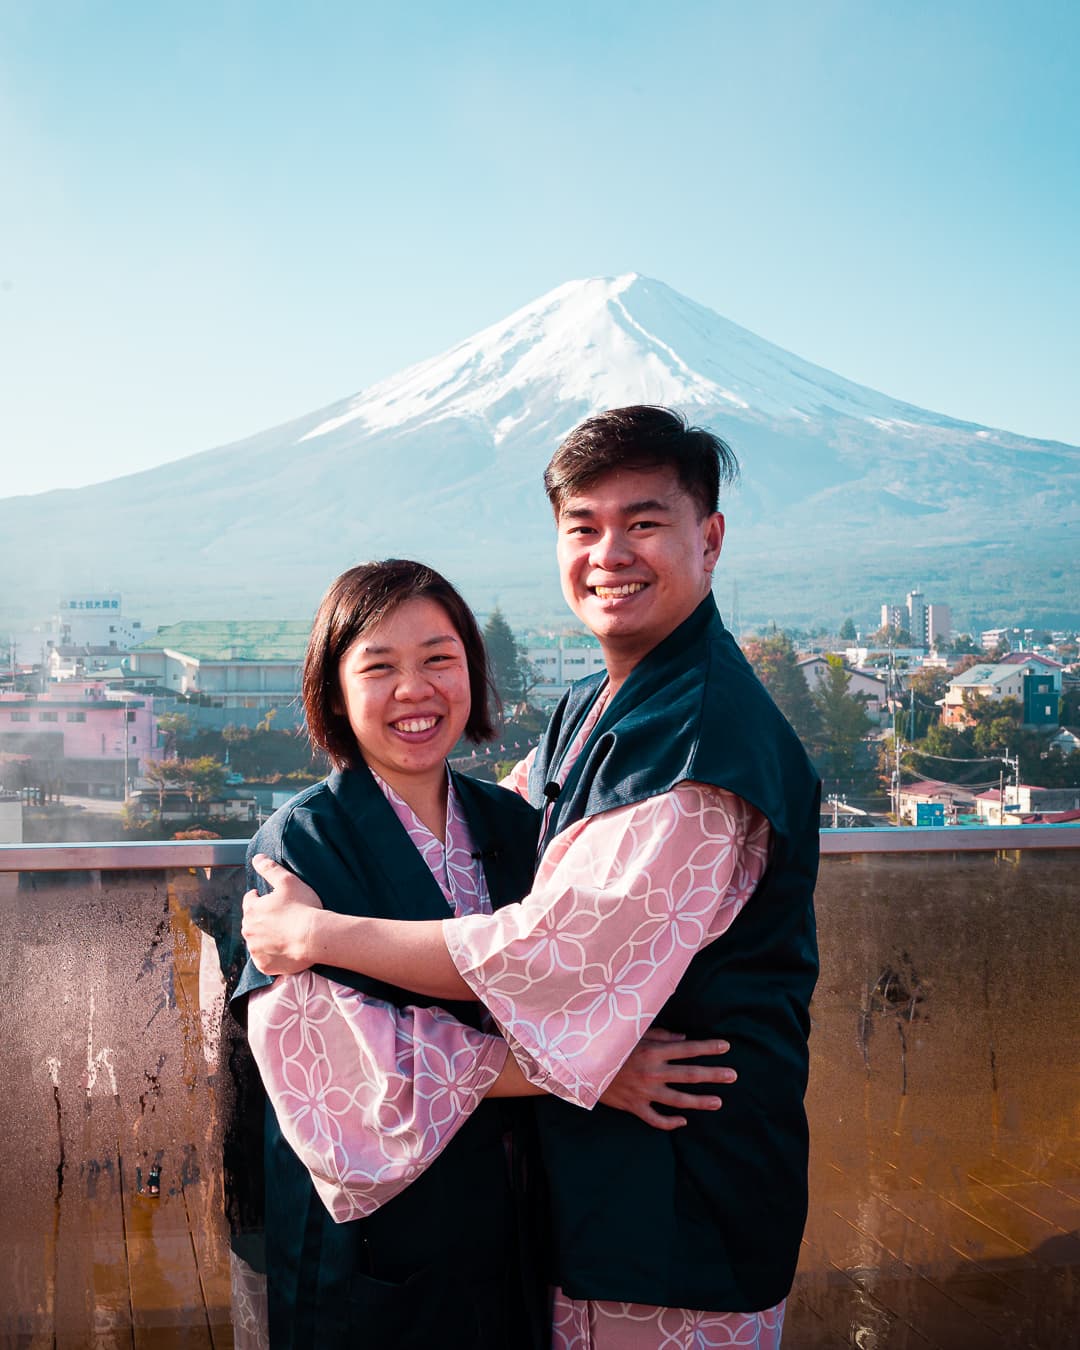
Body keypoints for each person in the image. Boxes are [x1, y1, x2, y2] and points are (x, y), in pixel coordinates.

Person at [243, 407, 821, 1348]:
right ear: (331, 688)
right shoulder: (596, 708)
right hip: (483, 1241)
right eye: (583, 528)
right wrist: (574, 1076)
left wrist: (319, 937)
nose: (609, 552)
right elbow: (337, 1076)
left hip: (674, 1213)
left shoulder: (699, 743)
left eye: (643, 523)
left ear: (709, 539)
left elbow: (553, 963)